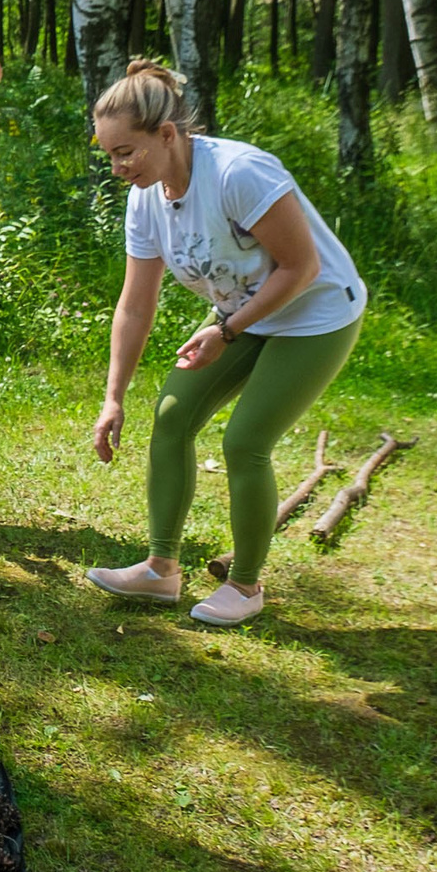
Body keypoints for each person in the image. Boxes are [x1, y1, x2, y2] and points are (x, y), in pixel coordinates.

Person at [84, 60, 367, 626]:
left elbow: (302, 265)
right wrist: (113, 396)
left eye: (126, 152)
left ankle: (245, 586)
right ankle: (161, 570)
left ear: (168, 134)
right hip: (242, 315)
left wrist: (227, 330)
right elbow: (136, 303)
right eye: (109, 154)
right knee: (171, 416)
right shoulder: (147, 197)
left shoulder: (240, 173)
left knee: (245, 442)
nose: (117, 168)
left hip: (316, 313)